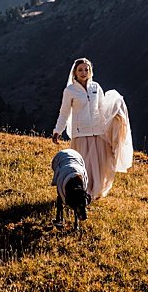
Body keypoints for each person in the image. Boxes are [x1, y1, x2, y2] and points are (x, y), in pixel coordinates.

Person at [51, 58, 133, 201]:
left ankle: (95, 193)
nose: (84, 72)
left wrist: (116, 116)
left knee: (100, 166)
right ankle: (83, 192)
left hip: (98, 132)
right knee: (84, 166)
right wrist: (57, 130)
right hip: (81, 134)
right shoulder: (70, 91)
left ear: (90, 71)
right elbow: (64, 113)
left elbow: (102, 108)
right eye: (80, 70)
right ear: (75, 73)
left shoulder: (96, 87)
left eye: (86, 69)